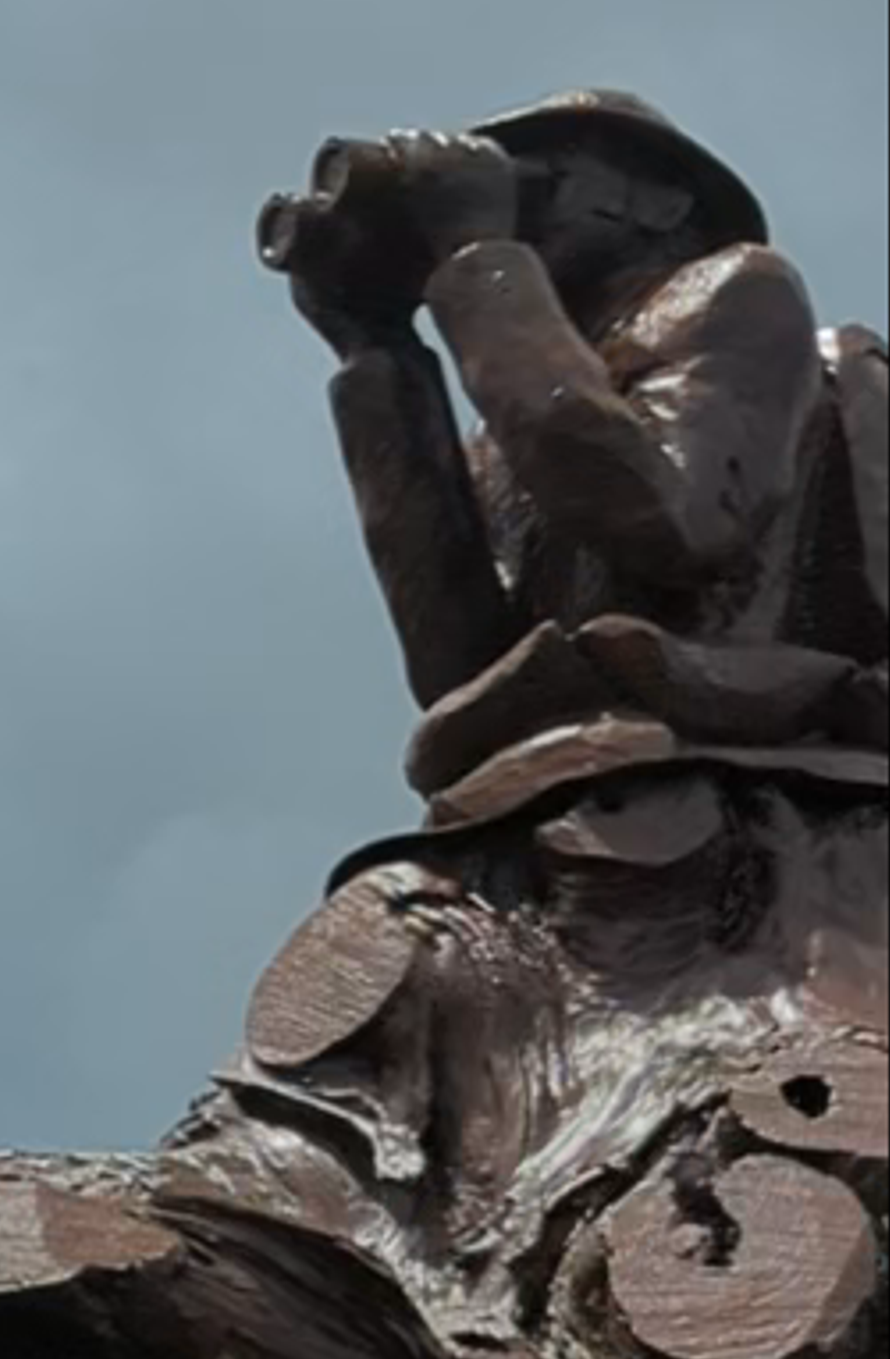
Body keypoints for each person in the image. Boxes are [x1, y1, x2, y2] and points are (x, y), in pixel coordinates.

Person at [260, 89, 887, 821]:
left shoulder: (738, 286)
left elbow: (675, 524)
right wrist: (376, 350)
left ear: (661, 202)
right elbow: (461, 669)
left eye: (545, 174)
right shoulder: (521, 402)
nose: (512, 198)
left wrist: (479, 254)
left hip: (729, 752)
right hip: (570, 770)